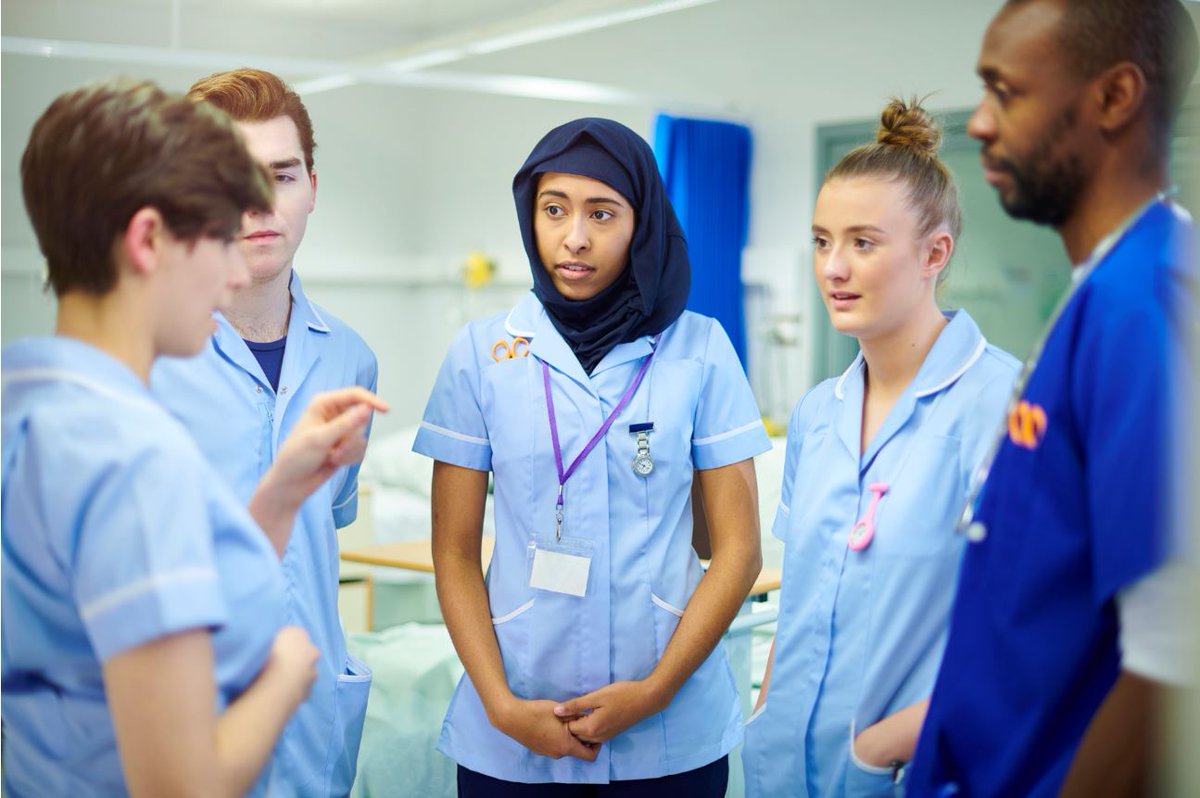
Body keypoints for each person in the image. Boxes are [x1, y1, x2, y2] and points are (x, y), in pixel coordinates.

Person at [1, 78, 384, 797]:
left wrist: (278, 498)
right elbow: (182, 785)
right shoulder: (126, 454)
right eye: (215, 233)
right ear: (149, 240)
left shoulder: (32, 405)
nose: (236, 270)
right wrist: (285, 673)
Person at [413, 117, 771, 795]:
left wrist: (656, 691)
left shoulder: (699, 348)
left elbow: (738, 551)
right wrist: (501, 708)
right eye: (554, 210)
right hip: (514, 724)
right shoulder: (482, 354)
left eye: (602, 214)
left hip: (668, 734)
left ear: (641, 223)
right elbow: (453, 553)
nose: (574, 237)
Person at [906, 1, 1199, 796]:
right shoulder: (1103, 290)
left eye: (1006, 92)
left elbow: (1173, 668)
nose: (979, 123)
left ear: (1115, 97)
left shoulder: (1147, 305)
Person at [739, 99, 1019, 797]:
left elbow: (1033, 638)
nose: (833, 268)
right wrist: (766, 712)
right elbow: (802, 597)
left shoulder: (1005, 408)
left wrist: (880, 747)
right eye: (821, 241)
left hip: (900, 771)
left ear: (935, 254)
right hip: (784, 768)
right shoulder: (817, 415)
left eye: (863, 243)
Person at [151, 68, 379, 795]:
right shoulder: (142, 358)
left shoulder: (350, 360)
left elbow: (320, 534)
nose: (259, 204)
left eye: (281, 176)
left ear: (311, 186)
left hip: (310, 719)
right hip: (178, 717)